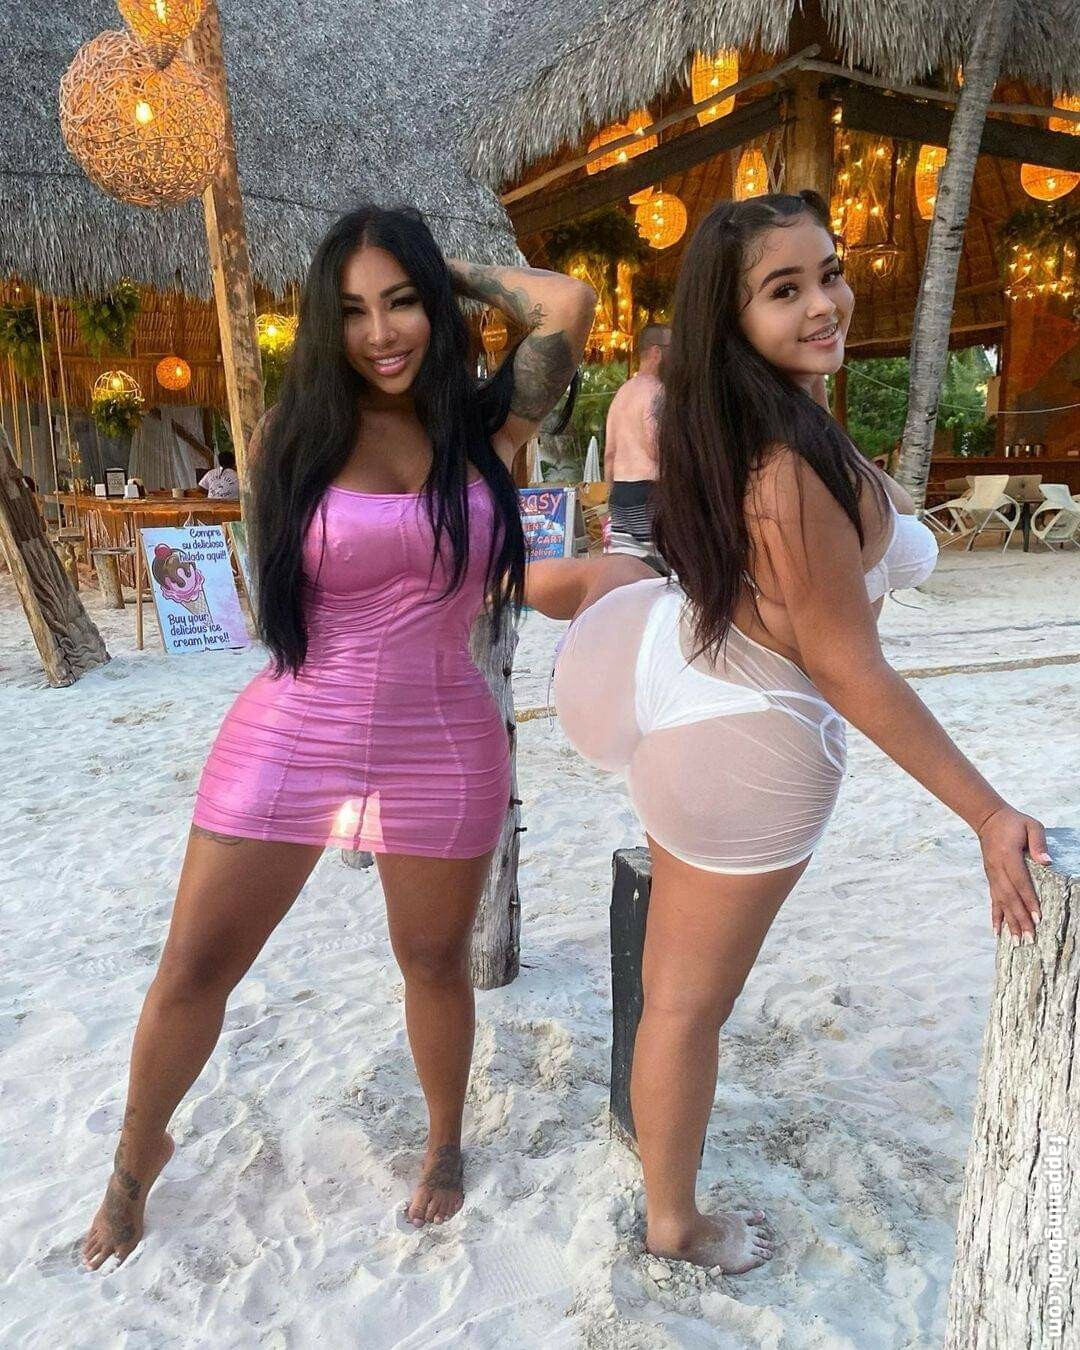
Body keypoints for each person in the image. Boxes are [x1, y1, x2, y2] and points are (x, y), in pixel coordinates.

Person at [528, 191, 1047, 1275]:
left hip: (705, 710)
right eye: (785, 289)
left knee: (678, 1001)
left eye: (830, 273)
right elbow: (850, 668)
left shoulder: (765, 425)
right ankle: (674, 1223)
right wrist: (987, 812)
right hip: (753, 744)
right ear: (732, 319)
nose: (825, 303)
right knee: (687, 1009)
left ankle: (667, 1200)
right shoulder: (780, 469)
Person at [82, 204, 595, 1269]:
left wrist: (441, 264)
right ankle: (135, 1158)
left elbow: (564, 303)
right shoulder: (295, 434)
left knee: (433, 961)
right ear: (327, 323)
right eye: (353, 310)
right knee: (195, 965)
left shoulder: (487, 427)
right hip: (296, 723)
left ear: (435, 306)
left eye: (401, 302)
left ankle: (444, 1143)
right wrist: (395, 279)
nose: (381, 332)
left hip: (442, 737)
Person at [603, 324, 670, 553]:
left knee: (628, 565)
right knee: (665, 567)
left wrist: (610, 499)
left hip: (620, 495)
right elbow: (656, 446)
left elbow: (609, 454)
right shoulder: (657, 392)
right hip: (650, 493)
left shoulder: (622, 394)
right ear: (657, 352)